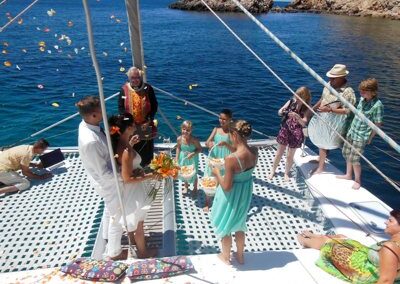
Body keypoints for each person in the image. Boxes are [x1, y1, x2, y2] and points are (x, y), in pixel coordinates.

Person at [77, 96, 126, 260]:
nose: (104, 113)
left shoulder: (87, 126)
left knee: (109, 210)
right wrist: (124, 176)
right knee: (117, 217)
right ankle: (114, 252)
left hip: (105, 180)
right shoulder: (91, 141)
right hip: (108, 183)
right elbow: (104, 173)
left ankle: (106, 237)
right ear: (92, 115)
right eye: (101, 111)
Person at [297, 209, 400, 284]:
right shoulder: (394, 244)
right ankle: (317, 236)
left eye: (390, 221)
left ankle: (303, 239)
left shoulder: (390, 248)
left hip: (364, 271)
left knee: (329, 245)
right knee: (342, 237)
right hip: (367, 258)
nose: (385, 222)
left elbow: (386, 281)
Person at [109, 113, 157, 258]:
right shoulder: (126, 150)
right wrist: (152, 175)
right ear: (129, 127)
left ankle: (134, 243)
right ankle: (143, 253)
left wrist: (131, 144)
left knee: (133, 219)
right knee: (139, 223)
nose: (136, 126)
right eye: (134, 124)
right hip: (134, 190)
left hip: (129, 190)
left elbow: (125, 164)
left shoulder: (122, 144)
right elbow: (127, 178)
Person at [210, 120, 257, 265]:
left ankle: (225, 257)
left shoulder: (231, 160)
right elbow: (241, 156)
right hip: (244, 193)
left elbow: (226, 186)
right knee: (240, 224)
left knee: (226, 225)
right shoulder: (254, 152)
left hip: (231, 196)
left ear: (235, 134)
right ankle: (241, 256)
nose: (229, 138)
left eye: (230, 135)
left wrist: (217, 172)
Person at [308, 64, 356, 174]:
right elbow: (322, 98)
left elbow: (348, 111)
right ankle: (321, 160)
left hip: (336, 122)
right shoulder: (328, 85)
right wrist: (312, 109)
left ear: (342, 77)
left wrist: (329, 110)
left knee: (326, 140)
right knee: (322, 139)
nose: (330, 79)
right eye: (330, 77)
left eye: (333, 78)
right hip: (323, 117)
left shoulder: (348, 92)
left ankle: (321, 168)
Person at [336, 78, 384, 189]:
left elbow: (377, 124)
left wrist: (370, 137)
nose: (361, 93)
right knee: (346, 153)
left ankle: (357, 180)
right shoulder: (362, 99)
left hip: (361, 135)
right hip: (352, 131)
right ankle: (348, 174)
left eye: (364, 91)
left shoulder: (378, 105)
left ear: (373, 92)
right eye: (361, 91)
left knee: (355, 159)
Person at [269, 87, 312, 181]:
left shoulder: (307, 107)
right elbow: (279, 112)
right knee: (279, 153)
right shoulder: (291, 101)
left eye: (299, 95)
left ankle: (286, 173)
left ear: (305, 97)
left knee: (290, 155)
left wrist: (297, 117)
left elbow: (304, 123)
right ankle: (273, 170)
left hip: (296, 133)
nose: (296, 96)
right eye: (296, 94)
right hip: (285, 129)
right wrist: (282, 111)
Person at [118, 67, 158, 167]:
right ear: (129, 78)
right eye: (133, 78)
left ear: (140, 77)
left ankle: (147, 166)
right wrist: (128, 123)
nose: (135, 80)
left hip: (146, 124)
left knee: (146, 147)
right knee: (132, 146)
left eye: (137, 77)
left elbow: (154, 105)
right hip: (131, 126)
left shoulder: (148, 89)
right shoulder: (124, 90)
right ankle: (134, 167)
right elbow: (121, 108)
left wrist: (149, 120)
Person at [204, 109, 234, 211]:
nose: (221, 120)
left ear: (230, 120)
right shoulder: (216, 129)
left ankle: (219, 202)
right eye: (220, 118)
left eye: (224, 119)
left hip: (224, 161)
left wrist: (226, 144)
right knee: (210, 179)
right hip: (214, 159)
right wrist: (209, 144)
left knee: (222, 181)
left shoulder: (232, 133)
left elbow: (234, 149)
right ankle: (207, 202)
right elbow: (206, 142)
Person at [176, 120, 202, 196]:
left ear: (191, 131)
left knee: (193, 173)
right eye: (184, 129)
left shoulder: (194, 140)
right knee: (184, 172)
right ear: (181, 129)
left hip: (192, 158)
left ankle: (195, 188)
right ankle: (186, 186)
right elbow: (178, 148)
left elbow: (200, 149)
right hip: (183, 157)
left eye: (188, 130)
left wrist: (193, 153)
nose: (185, 131)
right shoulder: (179, 139)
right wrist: (177, 158)